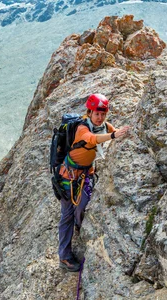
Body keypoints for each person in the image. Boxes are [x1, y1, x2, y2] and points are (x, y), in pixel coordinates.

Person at [58, 93, 131, 272]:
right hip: (69, 176)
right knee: (67, 214)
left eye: (103, 114)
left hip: (86, 174)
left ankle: (79, 225)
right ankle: (65, 257)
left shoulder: (104, 126)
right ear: (89, 112)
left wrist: (122, 132)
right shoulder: (82, 128)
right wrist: (113, 136)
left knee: (83, 206)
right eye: (96, 114)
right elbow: (92, 139)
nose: (100, 118)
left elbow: (115, 132)